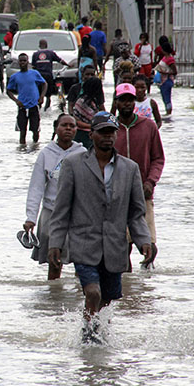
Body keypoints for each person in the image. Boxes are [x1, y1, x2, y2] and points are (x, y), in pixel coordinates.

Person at [48, 111, 154, 343]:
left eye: (111, 132)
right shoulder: (73, 164)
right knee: (93, 292)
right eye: (102, 132)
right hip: (84, 243)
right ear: (91, 135)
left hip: (114, 246)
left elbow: (136, 213)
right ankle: (89, 337)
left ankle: (97, 339)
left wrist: (144, 241)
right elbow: (61, 209)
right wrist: (55, 243)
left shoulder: (130, 169)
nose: (107, 137)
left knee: (107, 299)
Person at [23, 113, 85, 279]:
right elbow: (36, 187)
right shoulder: (46, 154)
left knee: (82, 261)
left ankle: (81, 292)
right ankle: (54, 292)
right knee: (54, 259)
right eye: (64, 125)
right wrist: (31, 218)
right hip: (51, 213)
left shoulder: (82, 153)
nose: (68, 129)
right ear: (56, 129)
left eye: (72, 126)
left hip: (76, 215)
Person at [113, 83, 165, 270]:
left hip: (143, 193)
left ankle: (145, 282)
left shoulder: (148, 126)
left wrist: (150, 182)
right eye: (123, 100)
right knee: (121, 247)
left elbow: (158, 159)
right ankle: (126, 283)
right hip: (116, 196)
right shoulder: (110, 128)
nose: (127, 103)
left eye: (130, 100)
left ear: (135, 102)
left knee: (149, 245)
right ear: (116, 102)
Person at [7, 53, 47, 144]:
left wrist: (42, 96)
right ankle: (22, 150)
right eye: (21, 61)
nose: (22, 63)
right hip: (22, 106)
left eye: (24, 61)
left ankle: (35, 148)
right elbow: (8, 91)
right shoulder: (14, 76)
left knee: (35, 131)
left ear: (28, 62)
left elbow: (44, 84)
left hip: (34, 105)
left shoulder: (34, 73)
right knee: (22, 132)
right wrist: (16, 101)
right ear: (18, 62)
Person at [32, 39, 69, 110]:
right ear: (46, 45)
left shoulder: (35, 54)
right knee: (48, 95)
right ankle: (46, 109)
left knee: (39, 93)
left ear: (39, 45)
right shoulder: (51, 53)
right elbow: (60, 61)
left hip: (38, 76)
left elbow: (33, 66)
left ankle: (39, 108)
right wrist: (68, 65)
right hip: (48, 75)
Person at [70, 75, 105, 149]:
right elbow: (77, 121)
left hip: (93, 134)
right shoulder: (82, 102)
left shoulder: (96, 102)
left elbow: (104, 115)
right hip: (82, 134)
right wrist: (92, 126)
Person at [155, 41, 177, 116]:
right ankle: (167, 112)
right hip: (162, 81)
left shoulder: (170, 59)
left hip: (167, 81)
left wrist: (164, 72)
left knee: (167, 98)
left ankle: (168, 113)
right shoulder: (165, 58)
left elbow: (174, 72)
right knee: (164, 98)